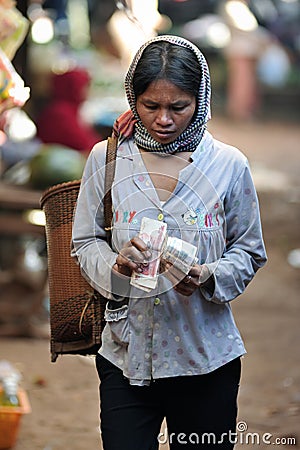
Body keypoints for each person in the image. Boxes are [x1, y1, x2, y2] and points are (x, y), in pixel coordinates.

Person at [72, 35, 267, 450]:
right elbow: (85, 240)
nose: (163, 119)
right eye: (150, 106)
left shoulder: (229, 165)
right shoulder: (106, 160)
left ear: (201, 100)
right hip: (124, 357)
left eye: (178, 107)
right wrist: (116, 267)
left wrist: (206, 275)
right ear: (133, 98)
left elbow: (249, 250)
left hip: (206, 359)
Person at [35, 67, 101, 154]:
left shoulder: (70, 110)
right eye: (83, 86)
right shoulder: (59, 114)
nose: (87, 91)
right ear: (73, 88)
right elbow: (84, 144)